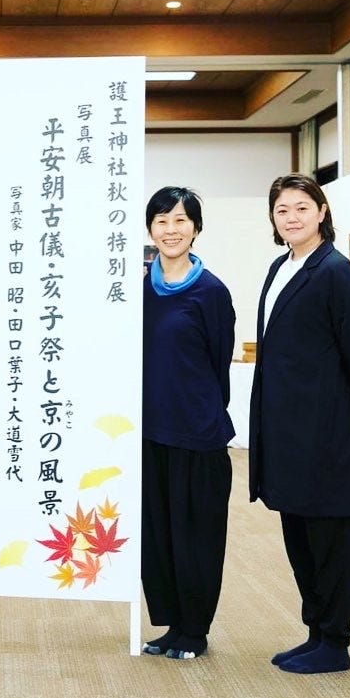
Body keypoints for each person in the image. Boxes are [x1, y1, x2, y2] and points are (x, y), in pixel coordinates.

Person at [249, 174, 350, 675]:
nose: (292, 217)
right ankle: (316, 631)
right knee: (299, 534)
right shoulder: (280, 267)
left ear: (322, 212)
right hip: (286, 430)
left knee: (328, 538)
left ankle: (335, 641)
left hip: (323, 428)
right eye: (283, 209)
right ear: (273, 218)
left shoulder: (336, 272)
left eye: (302, 207)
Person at [140, 187, 236, 661]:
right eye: (162, 220)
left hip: (197, 434)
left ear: (195, 228)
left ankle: (194, 630)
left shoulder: (212, 292)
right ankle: (172, 625)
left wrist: (202, 414)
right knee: (158, 535)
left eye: (181, 220)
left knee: (196, 534)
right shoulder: (137, 288)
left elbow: (220, 366)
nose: (171, 230)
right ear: (150, 229)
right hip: (148, 433)